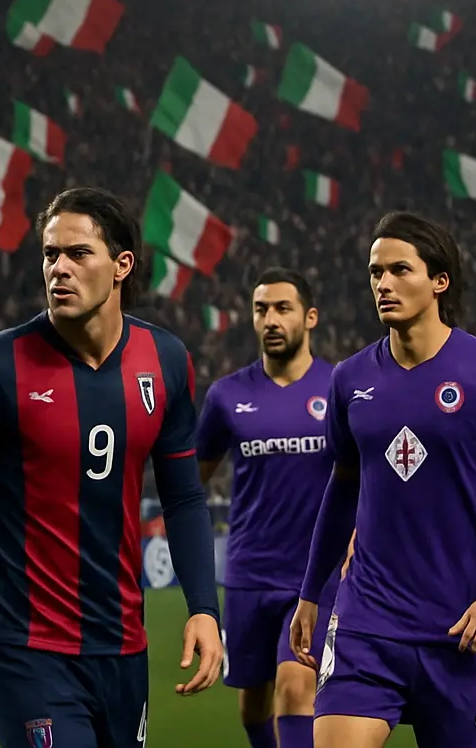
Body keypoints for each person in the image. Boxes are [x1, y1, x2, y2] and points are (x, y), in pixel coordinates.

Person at [0, 186, 223, 748]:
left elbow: (183, 498)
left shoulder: (166, 361)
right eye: (51, 254)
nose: (59, 268)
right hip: (27, 646)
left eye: (78, 254)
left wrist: (203, 608)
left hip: (123, 643)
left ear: (121, 265)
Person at [290, 211, 476, 748]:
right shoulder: (350, 380)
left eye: (399, 270)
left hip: (461, 629)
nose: (383, 284)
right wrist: (311, 593)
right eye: (375, 272)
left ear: (439, 281)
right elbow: (342, 488)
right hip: (366, 622)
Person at [195, 268, 339, 748]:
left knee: (296, 687)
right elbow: (192, 480)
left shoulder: (338, 388)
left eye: (283, 308)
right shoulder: (226, 396)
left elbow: (365, 480)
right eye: (262, 310)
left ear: (310, 317)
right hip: (249, 573)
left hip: (315, 579)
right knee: (253, 703)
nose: (271, 320)